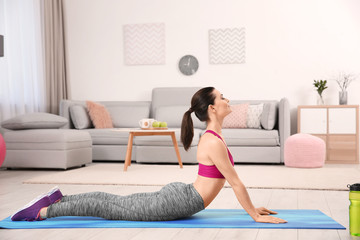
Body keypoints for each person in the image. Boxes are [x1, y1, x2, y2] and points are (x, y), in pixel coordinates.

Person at [11, 87, 287, 224]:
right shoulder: (213, 141)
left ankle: (60, 199)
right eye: (222, 97)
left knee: (114, 203)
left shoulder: (214, 136)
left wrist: (253, 208)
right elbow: (235, 182)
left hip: (182, 195)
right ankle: (46, 210)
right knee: (110, 208)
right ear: (212, 109)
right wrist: (254, 215)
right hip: (180, 202)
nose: (228, 100)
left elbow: (232, 183)